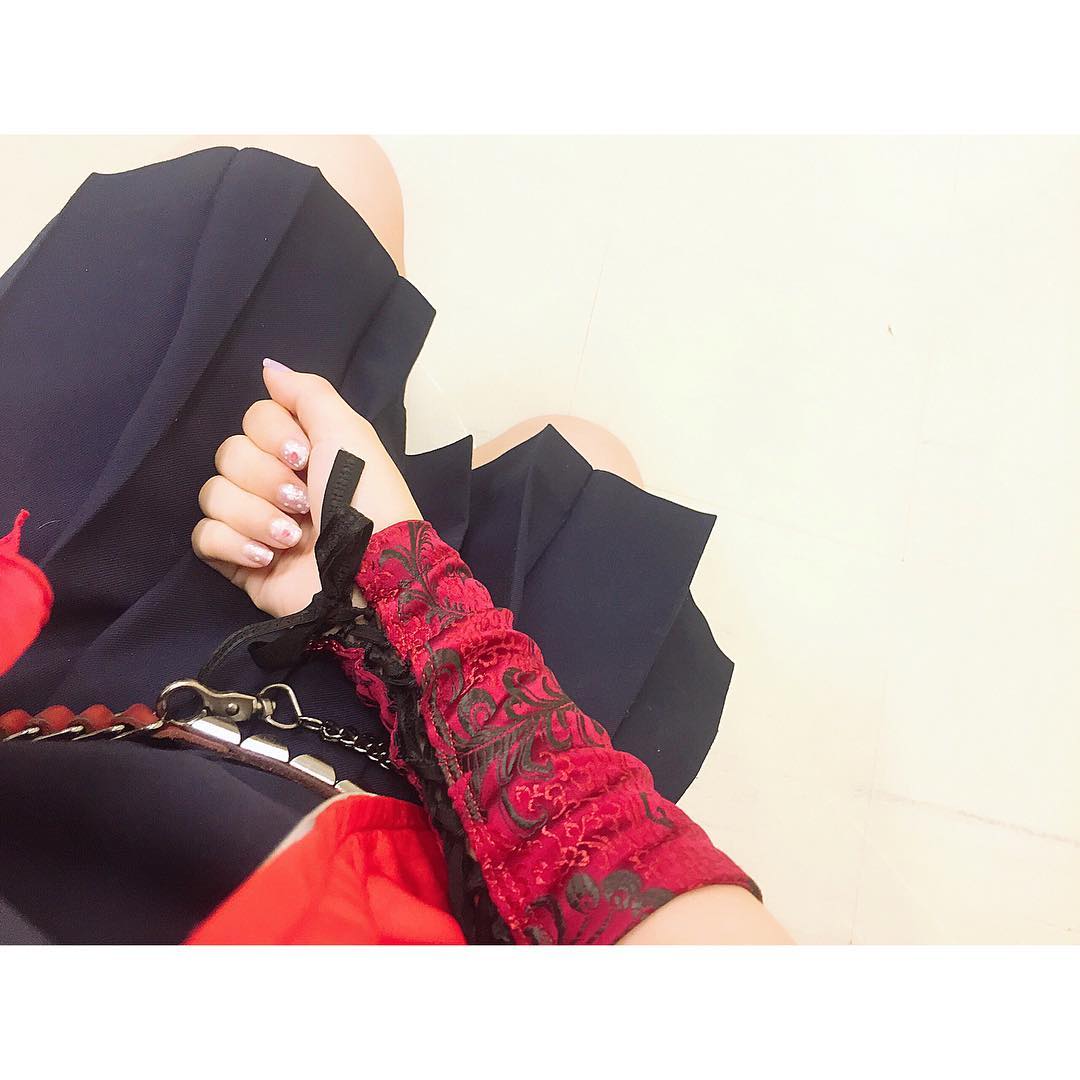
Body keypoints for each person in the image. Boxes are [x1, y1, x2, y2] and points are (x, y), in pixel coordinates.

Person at [0, 137, 788, 943]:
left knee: (329, 176)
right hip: (401, 852)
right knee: (591, 476)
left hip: (37, 660)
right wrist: (410, 596)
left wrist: (395, 580)